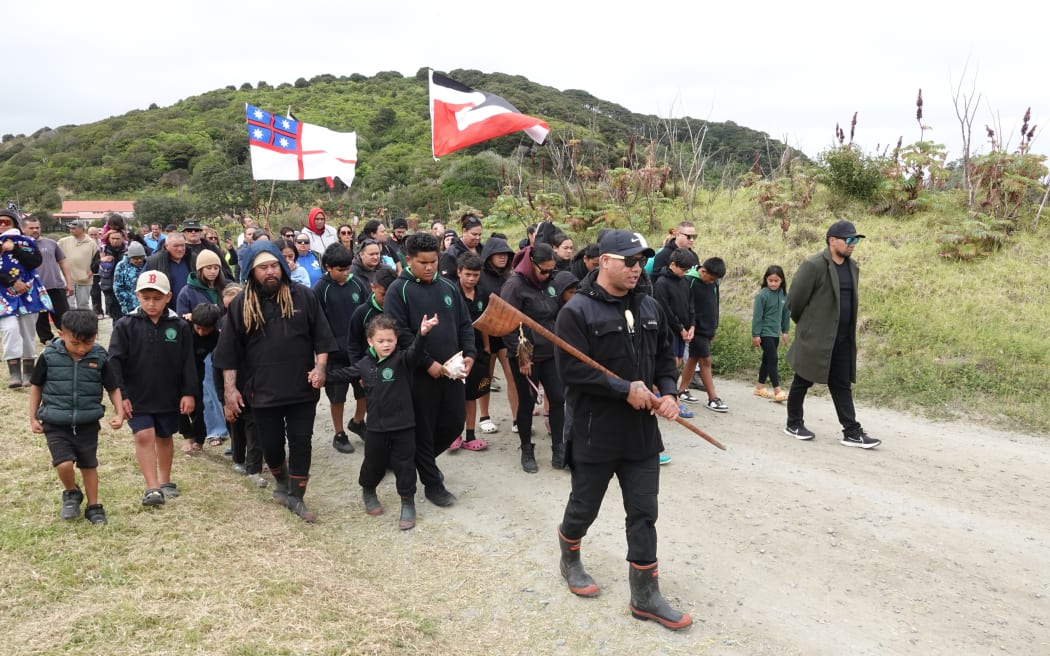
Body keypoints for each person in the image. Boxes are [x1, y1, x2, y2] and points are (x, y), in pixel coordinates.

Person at [553, 229, 692, 631]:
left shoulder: (649, 306)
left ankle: (645, 596)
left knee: (644, 512)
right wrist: (623, 389)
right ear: (604, 261)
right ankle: (570, 556)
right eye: (629, 261)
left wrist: (669, 393)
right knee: (584, 506)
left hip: (641, 434)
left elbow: (664, 357)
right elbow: (572, 372)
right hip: (595, 431)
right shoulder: (576, 312)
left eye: (641, 261)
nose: (637, 268)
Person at [213, 241, 338, 521]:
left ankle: (297, 496)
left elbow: (323, 338)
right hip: (262, 391)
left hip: (302, 387)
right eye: (263, 268)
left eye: (274, 266)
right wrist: (229, 391)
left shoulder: (304, 296)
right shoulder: (242, 304)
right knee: (270, 444)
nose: (270, 272)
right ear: (251, 271)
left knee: (301, 441)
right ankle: (281, 480)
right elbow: (228, 353)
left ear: (282, 266)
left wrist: (320, 368)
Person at [383, 232, 475, 508]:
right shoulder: (398, 290)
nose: (429, 267)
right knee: (424, 429)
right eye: (423, 262)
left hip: (452, 370)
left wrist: (470, 354)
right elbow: (400, 334)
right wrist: (427, 363)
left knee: (454, 422)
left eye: (433, 261)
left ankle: (416, 461)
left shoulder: (448, 287)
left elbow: (464, 324)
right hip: (418, 375)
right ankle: (433, 484)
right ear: (408, 260)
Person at [328, 314, 438, 529]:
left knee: (405, 465)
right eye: (380, 341)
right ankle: (368, 490)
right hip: (376, 428)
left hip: (404, 425)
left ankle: (407, 503)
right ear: (370, 341)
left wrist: (423, 334)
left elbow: (416, 352)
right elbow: (342, 375)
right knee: (373, 463)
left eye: (390, 340)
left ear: (396, 339)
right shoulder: (364, 365)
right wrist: (321, 377)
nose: (386, 344)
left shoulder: (403, 360)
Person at [785, 221, 880, 448]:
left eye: (855, 240)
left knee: (841, 384)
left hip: (843, 338)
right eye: (848, 240)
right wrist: (808, 326)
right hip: (816, 337)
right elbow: (794, 301)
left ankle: (851, 431)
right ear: (832, 240)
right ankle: (793, 423)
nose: (852, 244)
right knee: (803, 379)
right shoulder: (814, 265)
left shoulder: (852, 266)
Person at [107, 271, 197, 507]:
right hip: (137, 395)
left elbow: (188, 361)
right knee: (143, 435)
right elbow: (114, 362)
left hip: (169, 394)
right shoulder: (125, 325)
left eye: (157, 298)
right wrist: (121, 396)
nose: (151, 303)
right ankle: (152, 487)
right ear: (137, 296)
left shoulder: (179, 326)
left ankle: (165, 481)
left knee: (164, 436)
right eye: (146, 298)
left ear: (168, 297)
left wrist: (188, 392)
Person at [28, 309, 125, 525]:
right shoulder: (48, 357)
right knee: (63, 464)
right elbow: (36, 387)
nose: (82, 349)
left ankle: (94, 507)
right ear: (61, 334)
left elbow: (113, 387)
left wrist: (119, 413)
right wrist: (33, 417)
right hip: (55, 422)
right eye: (75, 343)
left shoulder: (99, 356)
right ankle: (71, 492)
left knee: (88, 465)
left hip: (87, 422)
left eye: (88, 343)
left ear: (95, 335)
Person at [501, 243, 567, 472]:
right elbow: (507, 325)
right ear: (532, 264)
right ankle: (526, 449)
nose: (548, 274)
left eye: (551, 270)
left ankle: (559, 447)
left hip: (551, 353)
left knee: (558, 398)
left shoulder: (550, 283)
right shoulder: (514, 286)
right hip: (526, 357)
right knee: (527, 402)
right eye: (544, 270)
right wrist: (522, 357)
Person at [313, 243, 369, 454]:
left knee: (364, 389)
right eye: (340, 270)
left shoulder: (357, 283)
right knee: (337, 396)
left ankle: (358, 422)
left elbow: (367, 311)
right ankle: (339, 433)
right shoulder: (320, 288)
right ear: (328, 267)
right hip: (335, 353)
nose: (346, 273)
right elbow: (317, 323)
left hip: (359, 350)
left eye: (348, 268)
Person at [345, 266, 398, 440]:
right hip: (369, 368)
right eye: (383, 294)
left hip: (395, 367)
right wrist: (360, 372)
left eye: (391, 294)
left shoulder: (398, 308)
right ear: (373, 287)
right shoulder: (361, 312)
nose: (387, 299)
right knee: (374, 405)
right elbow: (353, 345)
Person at [1, 210, 52, 388]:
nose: (2, 225)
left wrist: (14, 249)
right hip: (3, 295)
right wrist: (12, 281)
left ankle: (29, 371)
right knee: (10, 329)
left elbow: (34, 262)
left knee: (28, 332)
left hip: (27, 293)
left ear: (14, 224)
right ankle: (14, 372)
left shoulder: (26, 242)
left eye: (6, 222)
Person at [449, 253, 492, 452]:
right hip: (456, 352)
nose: (472, 278)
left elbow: (485, 322)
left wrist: (487, 346)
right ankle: (454, 435)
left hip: (478, 351)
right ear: (459, 272)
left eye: (476, 275)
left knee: (472, 395)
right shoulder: (451, 293)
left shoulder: (483, 293)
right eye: (468, 274)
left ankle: (471, 435)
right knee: (455, 396)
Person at [477, 235, 517, 434]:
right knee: (486, 376)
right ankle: (484, 416)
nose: (503, 257)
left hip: (507, 333)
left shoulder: (511, 277)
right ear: (489, 256)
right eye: (498, 254)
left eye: (506, 254)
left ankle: (517, 418)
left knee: (513, 375)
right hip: (486, 332)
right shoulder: (480, 277)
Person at [678, 257, 728, 412]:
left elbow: (715, 305)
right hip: (695, 328)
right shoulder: (689, 281)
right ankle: (712, 398)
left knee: (693, 358)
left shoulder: (714, 283)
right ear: (703, 271)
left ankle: (681, 390)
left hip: (708, 329)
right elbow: (684, 305)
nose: (712, 282)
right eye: (711, 278)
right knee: (706, 360)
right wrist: (687, 326)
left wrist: (714, 327)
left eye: (715, 280)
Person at [655, 248, 700, 418]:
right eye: (683, 269)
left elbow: (691, 305)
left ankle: (666, 395)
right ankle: (672, 399)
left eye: (688, 270)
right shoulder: (661, 282)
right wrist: (680, 329)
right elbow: (664, 310)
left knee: (678, 362)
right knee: (671, 363)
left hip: (683, 330)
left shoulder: (684, 281)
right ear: (673, 264)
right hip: (668, 331)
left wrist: (692, 325)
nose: (685, 273)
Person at [22, 217, 72, 345]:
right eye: (31, 228)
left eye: (37, 227)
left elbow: (63, 262)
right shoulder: (20, 246)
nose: (35, 230)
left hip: (55, 286)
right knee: (40, 319)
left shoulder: (51, 243)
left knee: (63, 316)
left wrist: (69, 282)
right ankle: (47, 341)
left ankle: (68, 339)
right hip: (33, 289)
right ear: (23, 229)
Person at [752, 265, 791, 403]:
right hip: (764, 333)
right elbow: (757, 317)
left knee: (767, 360)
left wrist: (785, 331)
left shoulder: (783, 295)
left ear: (781, 281)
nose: (773, 283)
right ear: (766, 280)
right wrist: (756, 334)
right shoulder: (762, 295)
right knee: (773, 359)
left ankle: (759, 387)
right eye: (770, 280)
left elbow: (786, 314)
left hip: (775, 333)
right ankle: (777, 391)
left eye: (776, 281)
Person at [143, 230, 190, 310]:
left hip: (189, 310)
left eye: (183, 245)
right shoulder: (154, 262)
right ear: (166, 246)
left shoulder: (192, 259)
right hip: (165, 311)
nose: (180, 249)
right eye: (176, 246)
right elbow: (144, 286)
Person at [57, 221, 97, 312]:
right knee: (68, 305)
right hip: (68, 279)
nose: (71, 230)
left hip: (84, 279)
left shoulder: (92, 243)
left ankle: (84, 321)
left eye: (74, 228)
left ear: (81, 229)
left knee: (83, 305)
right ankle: (70, 321)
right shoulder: (63, 241)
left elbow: (96, 261)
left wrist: (89, 274)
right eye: (70, 228)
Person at [95, 228, 128, 320]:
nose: (115, 241)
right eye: (112, 238)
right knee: (115, 316)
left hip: (125, 287)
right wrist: (101, 260)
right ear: (108, 239)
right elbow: (93, 267)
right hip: (109, 287)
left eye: (117, 238)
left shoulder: (128, 250)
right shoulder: (102, 250)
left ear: (122, 239)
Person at [439, 214, 483, 280]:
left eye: (480, 234)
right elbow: (446, 280)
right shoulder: (450, 254)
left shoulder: (483, 249)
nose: (477, 238)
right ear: (464, 231)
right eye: (474, 234)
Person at [113, 241, 148, 316]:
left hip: (146, 303)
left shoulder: (148, 263)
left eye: (141, 257)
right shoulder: (121, 266)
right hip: (130, 305)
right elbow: (118, 287)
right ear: (130, 257)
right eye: (136, 258)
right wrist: (125, 303)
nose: (139, 260)